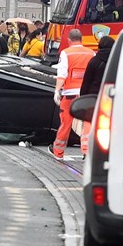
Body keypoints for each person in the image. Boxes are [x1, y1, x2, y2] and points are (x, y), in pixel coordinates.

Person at [52, 29, 94, 159]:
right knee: (88, 122)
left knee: (66, 123)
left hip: (70, 94)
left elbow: (62, 74)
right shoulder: (91, 53)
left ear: (69, 40)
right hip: (86, 94)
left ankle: (58, 152)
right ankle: (87, 150)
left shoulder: (66, 53)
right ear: (81, 39)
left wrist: (57, 90)